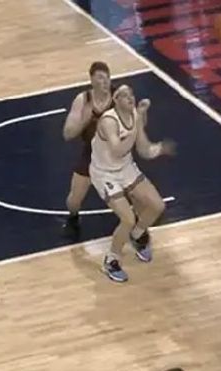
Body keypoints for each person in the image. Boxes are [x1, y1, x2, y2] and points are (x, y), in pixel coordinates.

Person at [89, 84, 175, 282]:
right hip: (105, 174)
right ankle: (110, 261)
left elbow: (143, 150)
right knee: (127, 218)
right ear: (115, 100)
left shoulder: (135, 116)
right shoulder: (108, 121)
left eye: (132, 94)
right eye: (124, 95)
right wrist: (137, 126)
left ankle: (137, 235)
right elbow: (117, 150)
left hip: (125, 169)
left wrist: (159, 149)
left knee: (157, 206)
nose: (130, 98)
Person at [61, 61, 114, 240]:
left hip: (114, 154)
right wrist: (85, 120)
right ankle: (73, 218)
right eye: (100, 78)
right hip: (91, 154)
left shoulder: (118, 97)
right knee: (74, 201)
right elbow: (67, 134)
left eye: (107, 77)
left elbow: (134, 125)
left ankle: (137, 221)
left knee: (133, 193)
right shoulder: (83, 100)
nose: (105, 81)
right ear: (91, 80)